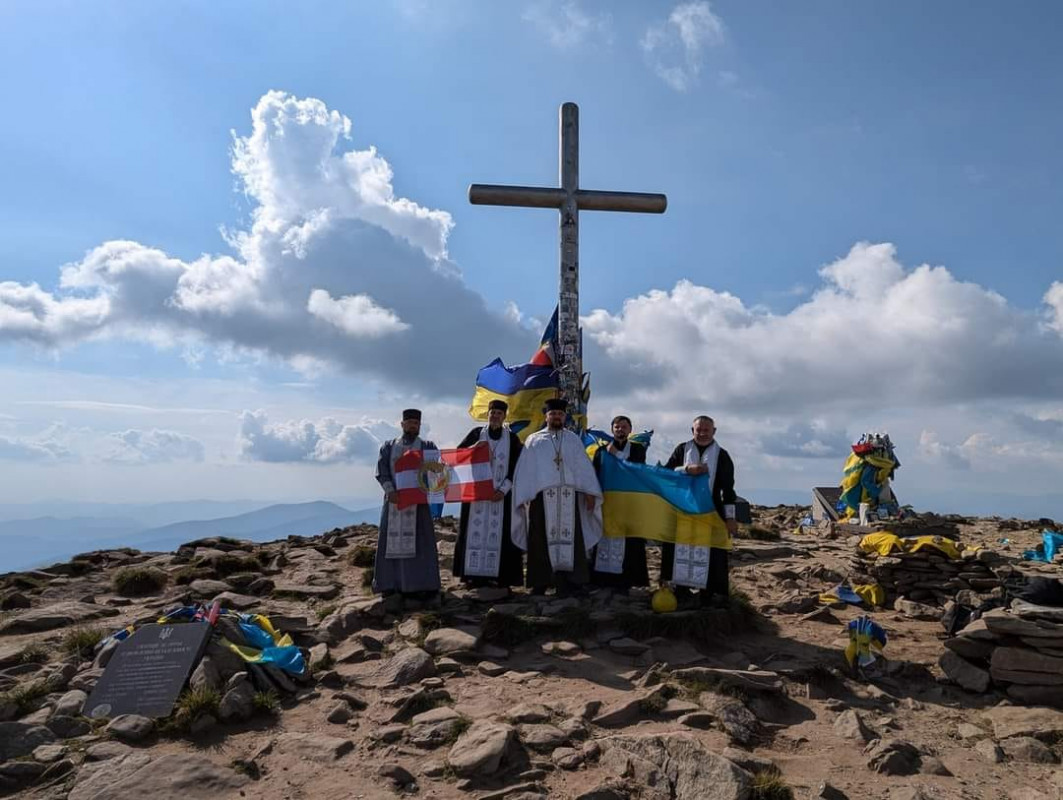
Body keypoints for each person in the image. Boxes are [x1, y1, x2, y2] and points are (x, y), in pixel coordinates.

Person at [511, 398, 603, 595]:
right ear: (547, 416)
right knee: (540, 540)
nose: (557, 417)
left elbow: (583, 468)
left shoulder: (572, 439)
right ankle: (540, 583)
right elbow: (526, 470)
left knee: (572, 539)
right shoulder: (534, 440)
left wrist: (589, 492)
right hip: (542, 497)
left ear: (564, 416)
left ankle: (571, 582)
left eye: (560, 414)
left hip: (569, 496)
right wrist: (525, 493)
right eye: (553, 414)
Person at [659, 415, 737, 607]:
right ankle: (680, 590)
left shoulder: (722, 455)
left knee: (711, 551)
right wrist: (686, 469)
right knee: (678, 549)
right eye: (698, 430)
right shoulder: (682, 449)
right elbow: (666, 473)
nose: (702, 433)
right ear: (692, 430)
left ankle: (708, 594)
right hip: (682, 510)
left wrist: (730, 517)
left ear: (714, 431)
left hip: (710, 510)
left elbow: (728, 489)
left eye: (706, 430)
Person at [452, 399, 524, 588]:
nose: (495, 416)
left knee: (502, 534)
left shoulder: (512, 439)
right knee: (471, 533)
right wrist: (472, 450)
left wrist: (503, 490)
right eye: (492, 413)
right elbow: (458, 455)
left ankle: (501, 577)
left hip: (501, 495)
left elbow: (518, 466)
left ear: (504, 416)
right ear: (488, 414)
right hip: (476, 495)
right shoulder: (477, 434)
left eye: (499, 413)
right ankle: (471, 576)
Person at [372, 409, 442, 599]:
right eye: (410, 422)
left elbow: (438, 470)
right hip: (394, 501)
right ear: (402, 424)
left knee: (422, 542)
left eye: (416, 423)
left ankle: (424, 584)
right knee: (391, 543)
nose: (413, 426)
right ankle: (390, 584)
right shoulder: (388, 447)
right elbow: (382, 471)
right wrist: (390, 491)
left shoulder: (427, 446)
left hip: (418, 503)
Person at [590, 415, 650, 593]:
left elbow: (636, 470)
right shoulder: (601, 451)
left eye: (624, 427)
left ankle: (628, 579)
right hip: (607, 502)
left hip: (629, 502)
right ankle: (603, 579)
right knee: (605, 539)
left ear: (630, 430)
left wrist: (615, 455)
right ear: (612, 429)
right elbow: (595, 475)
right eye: (616, 427)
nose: (620, 430)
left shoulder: (638, 449)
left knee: (629, 542)